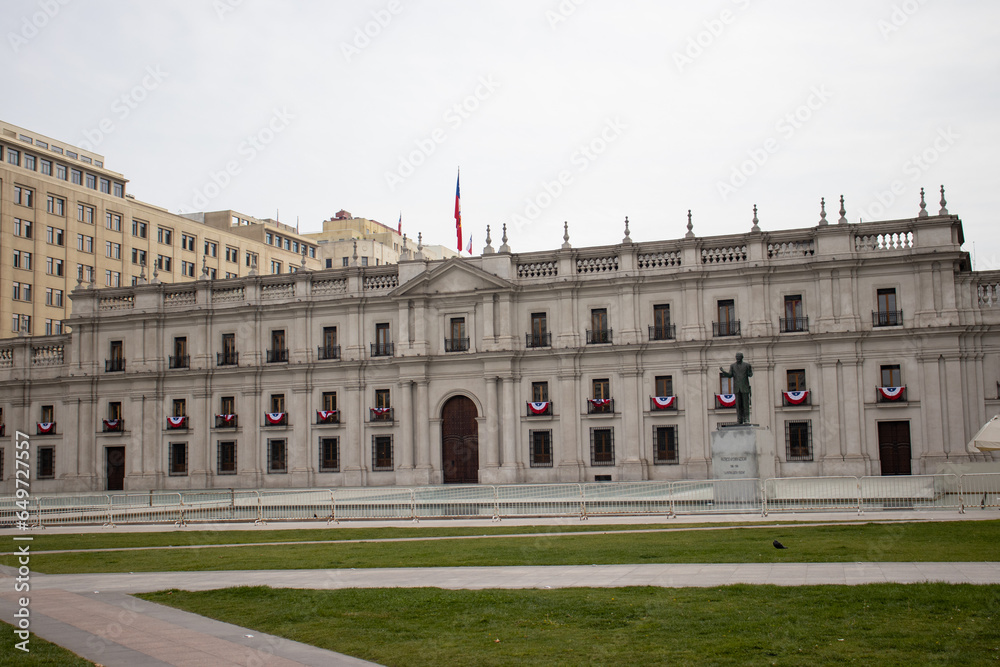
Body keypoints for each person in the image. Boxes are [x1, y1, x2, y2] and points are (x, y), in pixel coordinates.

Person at [720, 352, 753, 424]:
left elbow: (750, 375)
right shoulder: (733, 366)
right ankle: (739, 419)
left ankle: (746, 419)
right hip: (737, 388)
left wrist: (750, 370)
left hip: (745, 388)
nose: (737, 358)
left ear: (742, 357)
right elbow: (730, 375)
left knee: (745, 405)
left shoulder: (746, 365)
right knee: (738, 406)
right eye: (736, 357)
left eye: (739, 357)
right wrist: (723, 372)